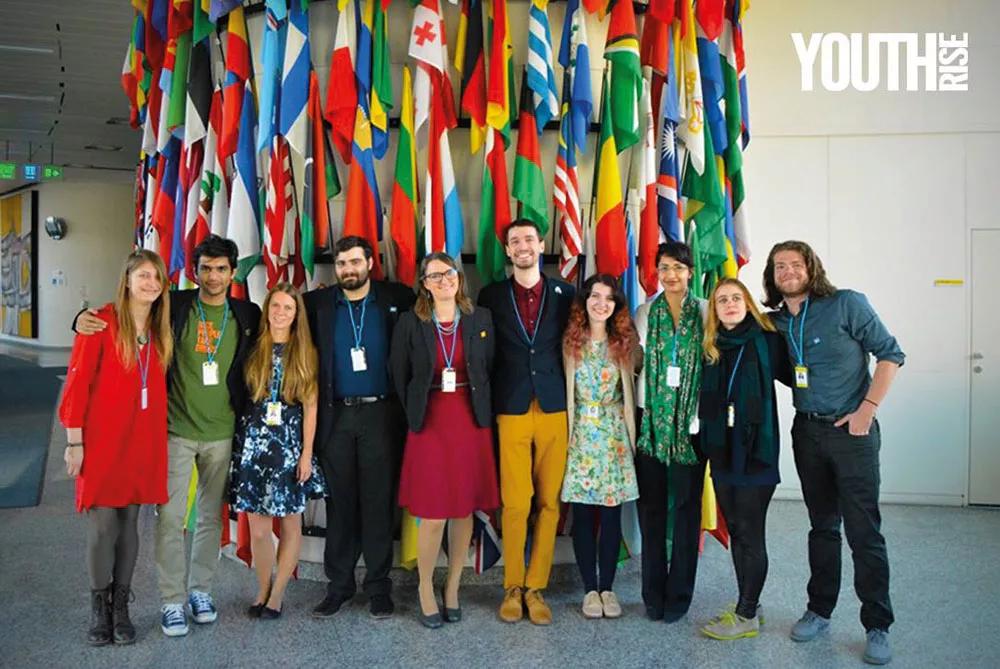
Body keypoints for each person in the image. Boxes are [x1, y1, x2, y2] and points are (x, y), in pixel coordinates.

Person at [74, 235, 261, 637]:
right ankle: (172, 600)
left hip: (222, 432)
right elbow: (126, 311)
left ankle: (201, 591)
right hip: (175, 431)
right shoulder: (173, 306)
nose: (213, 276)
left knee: (211, 517)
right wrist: (80, 318)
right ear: (195, 272)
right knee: (171, 519)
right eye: (206, 268)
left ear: (233, 272)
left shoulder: (248, 314)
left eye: (221, 269)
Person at [764, 241, 903, 666]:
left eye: (794, 263)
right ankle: (820, 610)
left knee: (864, 532)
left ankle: (877, 625)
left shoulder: (846, 304)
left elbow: (891, 355)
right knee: (822, 528)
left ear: (811, 267)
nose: (787, 271)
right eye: (779, 266)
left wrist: (867, 410)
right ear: (772, 276)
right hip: (807, 433)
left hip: (852, 433)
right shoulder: (774, 323)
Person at [60, 249, 174, 646]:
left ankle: (121, 606)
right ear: (126, 280)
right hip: (103, 439)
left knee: (130, 523)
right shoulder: (100, 323)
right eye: (143, 275)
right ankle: (99, 607)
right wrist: (75, 442)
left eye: (156, 277)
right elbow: (77, 385)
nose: (151, 284)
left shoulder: (163, 327)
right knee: (104, 523)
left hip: (144, 439)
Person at [305, 236, 415, 620]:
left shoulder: (397, 298)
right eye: (341, 264)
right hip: (335, 418)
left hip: (381, 416)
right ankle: (339, 587)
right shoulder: (317, 303)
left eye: (355, 262)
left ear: (370, 262)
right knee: (340, 504)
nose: (348, 270)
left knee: (378, 504)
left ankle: (379, 588)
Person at [389, 253, 499, 628]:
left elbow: (491, 368)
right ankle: (424, 587)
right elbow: (397, 373)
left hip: (470, 421)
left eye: (448, 273)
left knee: (463, 510)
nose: (443, 280)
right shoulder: (411, 322)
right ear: (423, 284)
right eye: (433, 276)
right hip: (430, 423)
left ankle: (453, 586)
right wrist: (415, 413)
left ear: (459, 277)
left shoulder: (480, 318)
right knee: (433, 513)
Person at [477, 218, 575, 625]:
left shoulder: (566, 294)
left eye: (529, 239)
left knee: (550, 503)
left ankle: (537, 588)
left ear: (541, 244)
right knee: (516, 503)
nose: (523, 246)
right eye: (514, 241)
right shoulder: (491, 295)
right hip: (511, 407)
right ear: (507, 250)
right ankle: (512, 587)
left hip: (554, 406)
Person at [697, 278, 792, 640]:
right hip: (722, 453)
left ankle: (747, 614)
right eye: (722, 300)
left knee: (751, 534)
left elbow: (799, 375)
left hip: (757, 452)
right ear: (715, 311)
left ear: (748, 303)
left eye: (737, 298)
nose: (730, 304)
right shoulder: (712, 346)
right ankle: (748, 603)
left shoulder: (767, 339)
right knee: (736, 529)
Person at [231, 283, 327, 619]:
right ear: (267, 310)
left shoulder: (306, 353)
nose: (281, 313)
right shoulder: (253, 347)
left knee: (290, 525)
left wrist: (306, 455)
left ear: (296, 314)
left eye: (288, 308)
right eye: (275, 307)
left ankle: (279, 594)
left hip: (289, 447)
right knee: (258, 528)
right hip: (254, 445)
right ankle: (262, 587)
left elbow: (311, 409)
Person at [633, 241, 708, 622]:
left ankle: (679, 596)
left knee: (686, 509)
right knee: (652, 510)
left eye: (678, 267)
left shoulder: (707, 312)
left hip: (691, 428)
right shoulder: (645, 312)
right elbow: (635, 361)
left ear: (690, 272)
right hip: (651, 426)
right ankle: (652, 594)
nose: (671, 275)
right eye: (664, 267)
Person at [560, 274, 641, 619]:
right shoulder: (569, 342)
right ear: (585, 301)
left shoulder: (624, 343)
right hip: (580, 436)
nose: (601, 303)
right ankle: (589, 589)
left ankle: (608, 587)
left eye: (609, 298)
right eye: (595, 296)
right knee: (582, 516)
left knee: (610, 517)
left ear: (616, 306)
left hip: (613, 436)